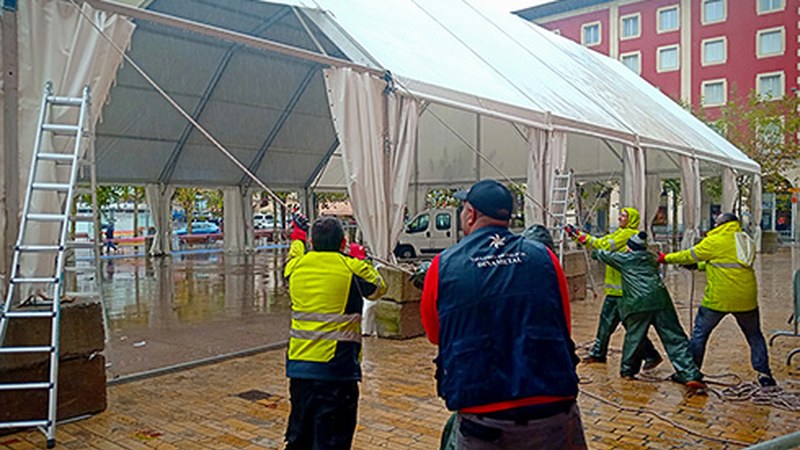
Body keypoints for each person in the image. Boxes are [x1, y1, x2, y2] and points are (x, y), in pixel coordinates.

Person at [421, 179, 586, 450]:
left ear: (471, 214)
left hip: (482, 414)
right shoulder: (545, 258)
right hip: (552, 408)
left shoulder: (443, 266)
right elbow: (562, 326)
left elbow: (435, 334)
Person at [283, 215, 387, 449]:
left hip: (300, 371)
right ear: (343, 243)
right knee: (332, 441)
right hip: (336, 373)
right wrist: (359, 257)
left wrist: (298, 235)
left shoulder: (296, 266)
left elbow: (294, 253)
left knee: (299, 438)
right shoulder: (352, 267)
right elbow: (379, 287)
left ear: (312, 242)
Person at [659, 212, 776, 387]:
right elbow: (725, 263)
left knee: (700, 333)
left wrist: (664, 258)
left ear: (722, 224)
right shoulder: (745, 240)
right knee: (754, 335)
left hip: (718, 299)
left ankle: (691, 372)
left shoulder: (715, 241)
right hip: (746, 298)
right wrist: (699, 266)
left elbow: (689, 254)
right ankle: (764, 374)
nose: (714, 225)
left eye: (716, 222)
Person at [593, 232, 705, 391]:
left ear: (629, 248)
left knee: (634, 336)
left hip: (638, 303)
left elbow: (600, 253)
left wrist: (593, 246)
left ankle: (628, 370)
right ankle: (690, 374)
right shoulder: (652, 258)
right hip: (661, 300)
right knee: (674, 337)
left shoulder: (624, 259)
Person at [565, 207, 662, 370]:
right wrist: (577, 236)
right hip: (616, 291)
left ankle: (650, 354)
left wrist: (580, 235)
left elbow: (602, 245)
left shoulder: (628, 234)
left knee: (627, 326)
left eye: (624, 215)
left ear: (631, 219)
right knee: (607, 323)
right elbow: (597, 242)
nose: (620, 218)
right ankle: (599, 353)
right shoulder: (619, 233)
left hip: (624, 291)